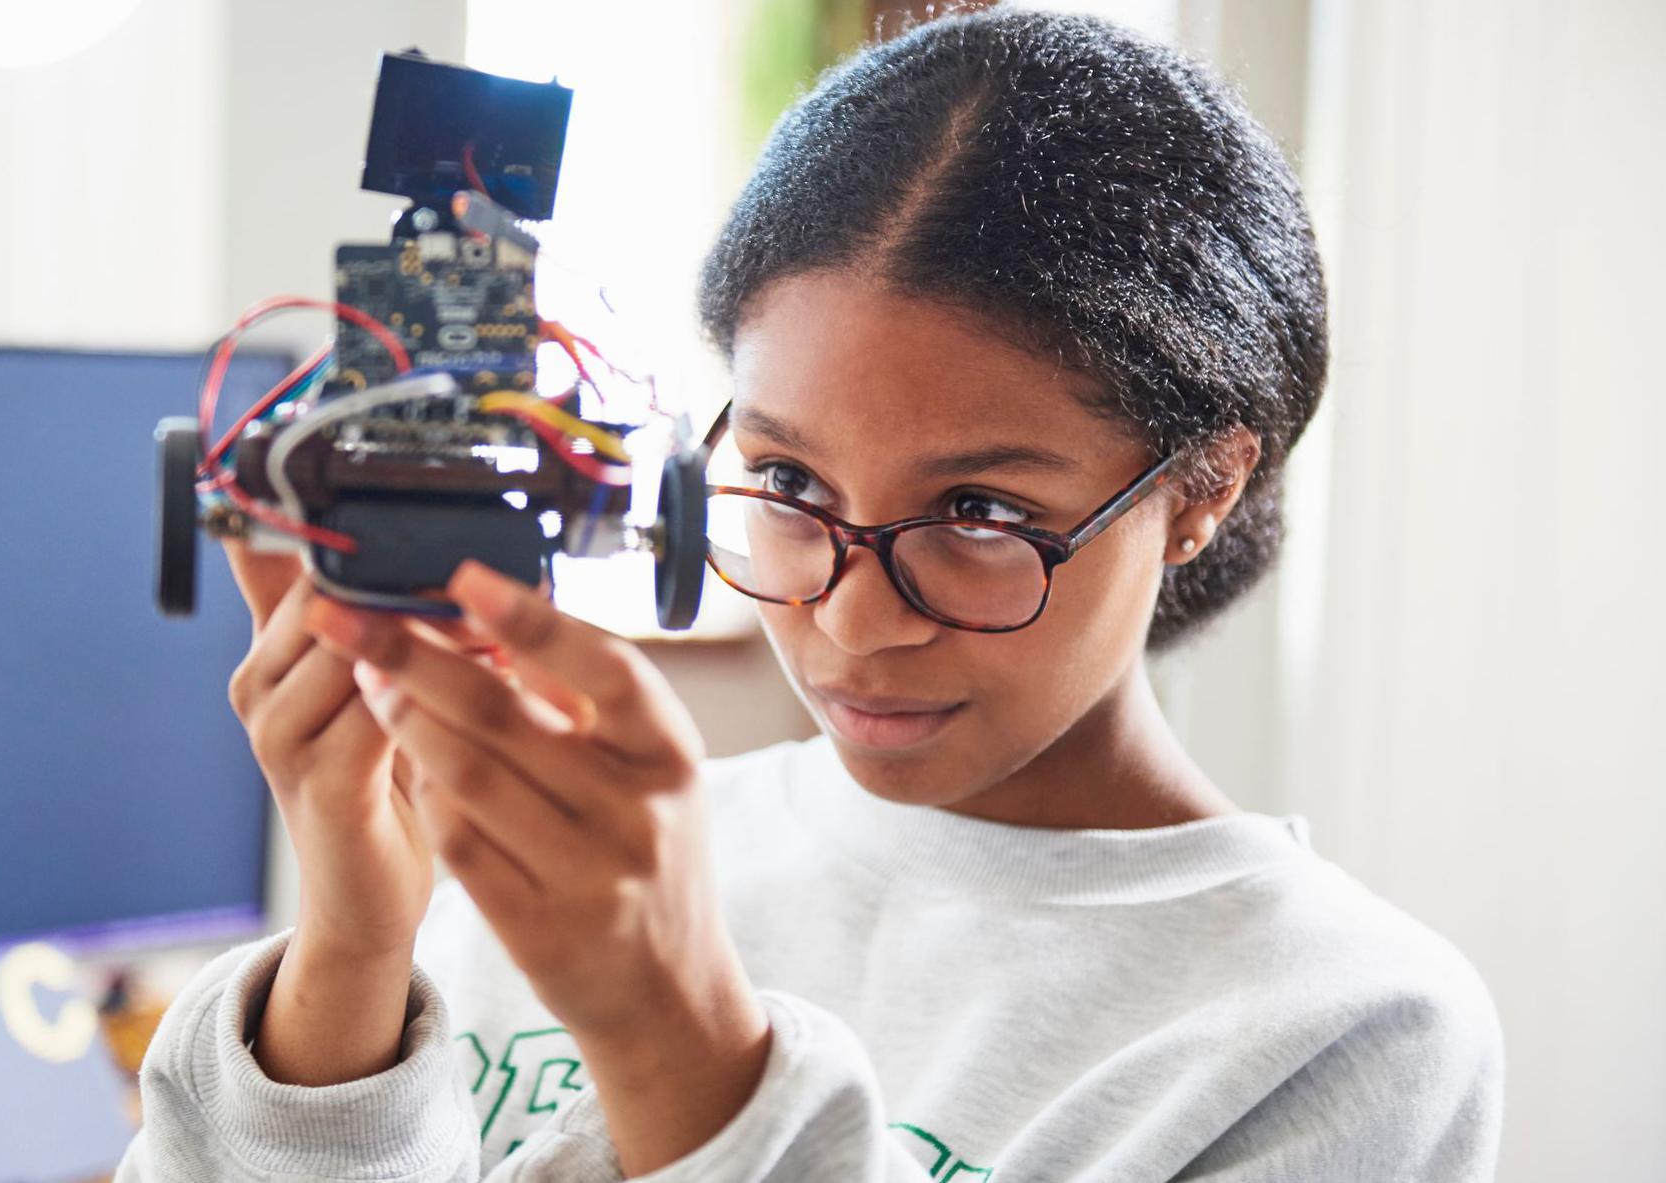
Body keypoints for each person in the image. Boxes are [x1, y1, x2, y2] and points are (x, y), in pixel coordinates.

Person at [118, 9, 1503, 1181]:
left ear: (1200, 489)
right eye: (784, 484)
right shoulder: (570, 858)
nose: (853, 621)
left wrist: (681, 1044)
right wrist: (355, 953)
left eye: (981, 513)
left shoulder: (1347, 1027)